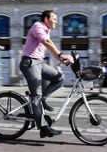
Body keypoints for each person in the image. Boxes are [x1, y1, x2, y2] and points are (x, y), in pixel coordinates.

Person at [19, 10, 74, 139]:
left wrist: (62, 59)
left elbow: (50, 48)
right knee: (36, 96)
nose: (56, 21)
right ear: (46, 19)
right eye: (54, 19)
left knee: (59, 78)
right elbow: (47, 43)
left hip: (39, 63)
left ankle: (43, 99)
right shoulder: (38, 26)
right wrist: (61, 55)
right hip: (30, 63)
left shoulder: (46, 31)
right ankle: (43, 128)